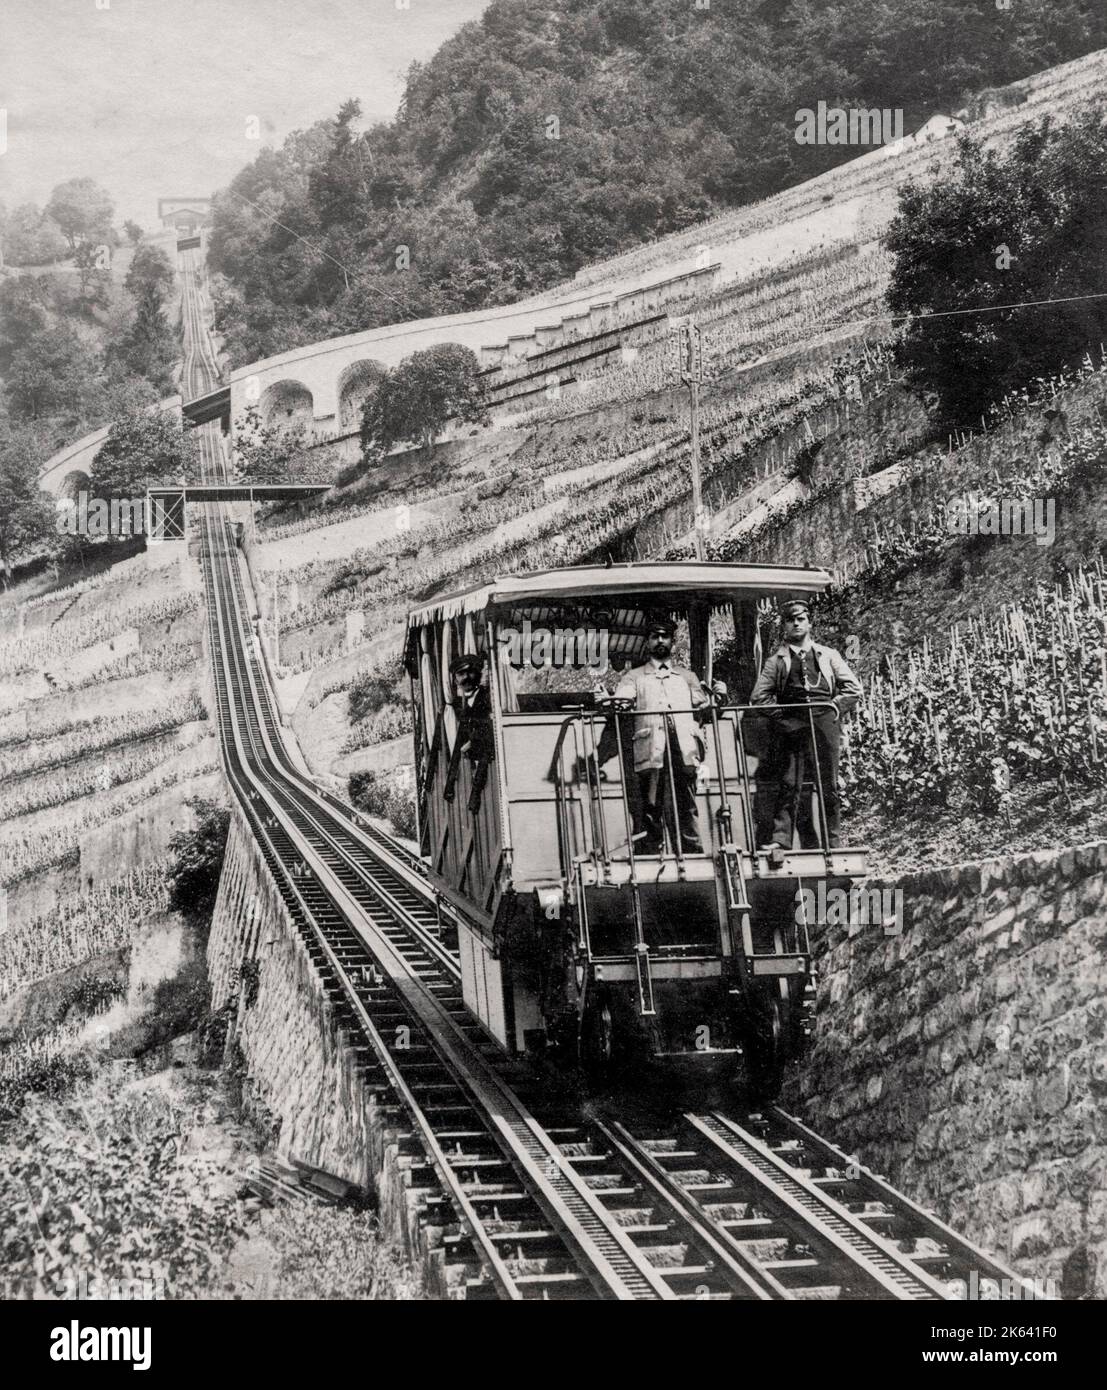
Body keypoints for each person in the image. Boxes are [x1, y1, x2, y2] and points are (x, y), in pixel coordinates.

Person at [602, 616, 726, 855]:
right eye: (654, 636)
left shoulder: (686, 676)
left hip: (683, 750)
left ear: (672, 640)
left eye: (664, 636)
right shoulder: (634, 677)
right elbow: (623, 700)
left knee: (686, 806)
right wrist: (611, 702)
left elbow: (704, 707)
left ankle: (693, 857)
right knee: (651, 807)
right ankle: (650, 859)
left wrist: (718, 698)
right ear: (647, 642)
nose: (660, 640)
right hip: (651, 750)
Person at [750, 599, 861, 851]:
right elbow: (759, 697)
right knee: (790, 784)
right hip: (792, 725)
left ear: (809, 622)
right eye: (791, 620)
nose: (796, 623)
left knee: (828, 785)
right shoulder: (776, 661)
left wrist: (834, 707)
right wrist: (782, 717)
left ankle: (833, 842)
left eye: (801, 619)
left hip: (824, 723)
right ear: (785, 627)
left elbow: (853, 688)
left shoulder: (828, 655)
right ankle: (781, 841)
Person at [444, 653, 494, 811]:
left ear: (478, 675)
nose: (466, 678)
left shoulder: (488, 699)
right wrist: (450, 785)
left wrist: (473, 742)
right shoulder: (465, 709)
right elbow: (459, 744)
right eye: (461, 674)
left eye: (470, 672)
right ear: (455, 680)